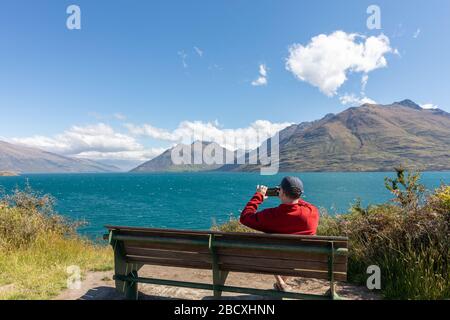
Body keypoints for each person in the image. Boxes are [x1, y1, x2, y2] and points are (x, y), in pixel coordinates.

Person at [240, 176, 319, 291]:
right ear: (299, 194)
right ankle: (281, 283)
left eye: (280, 189)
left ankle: (280, 282)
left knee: (270, 247)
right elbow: (305, 204)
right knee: (297, 254)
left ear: (282, 192)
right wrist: (290, 196)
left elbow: (245, 217)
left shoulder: (271, 216)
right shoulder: (312, 212)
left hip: (274, 259)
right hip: (302, 260)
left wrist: (259, 196)